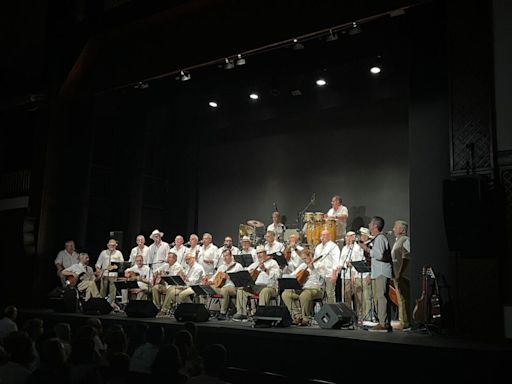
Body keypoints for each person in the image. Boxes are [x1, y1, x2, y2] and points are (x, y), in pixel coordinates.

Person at [359, 216, 393, 332]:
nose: (369, 225)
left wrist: (366, 249)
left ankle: (383, 324)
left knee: (381, 298)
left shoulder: (380, 239)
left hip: (381, 272)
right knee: (381, 298)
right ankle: (385, 322)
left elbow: (379, 255)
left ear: (375, 226)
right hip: (379, 272)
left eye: (370, 223)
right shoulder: (378, 238)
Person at [233, 245, 281, 320]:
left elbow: (277, 276)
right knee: (241, 290)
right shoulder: (255, 264)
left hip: (269, 287)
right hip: (256, 287)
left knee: (265, 291)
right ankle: (241, 313)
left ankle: (261, 314)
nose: (259, 255)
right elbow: (245, 273)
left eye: (261, 253)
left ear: (265, 253)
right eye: (257, 253)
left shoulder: (273, 262)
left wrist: (265, 269)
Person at [282, 247, 324, 326]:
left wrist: (313, 269)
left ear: (310, 256)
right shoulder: (302, 265)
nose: (304, 260)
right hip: (303, 289)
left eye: (305, 258)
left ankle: (306, 318)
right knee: (286, 294)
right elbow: (293, 275)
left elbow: (322, 278)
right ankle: (297, 316)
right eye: (302, 259)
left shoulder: (319, 264)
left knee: (304, 295)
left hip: (316, 289)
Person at [207, 249, 244, 320]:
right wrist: (209, 281)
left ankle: (223, 313)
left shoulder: (237, 266)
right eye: (223, 256)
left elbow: (241, 279)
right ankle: (208, 310)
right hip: (222, 286)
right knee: (209, 288)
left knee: (224, 290)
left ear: (231, 256)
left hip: (233, 287)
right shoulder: (221, 267)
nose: (225, 258)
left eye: (226, 255)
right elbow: (214, 278)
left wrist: (229, 277)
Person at [391, 220, 411, 331]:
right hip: (396, 274)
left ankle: (405, 322)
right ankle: (402, 320)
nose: (393, 229)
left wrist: (400, 272)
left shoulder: (405, 240)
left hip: (402, 274)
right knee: (400, 299)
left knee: (404, 298)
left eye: (395, 227)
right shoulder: (398, 241)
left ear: (401, 229)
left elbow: (407, 256)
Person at [314, 230, 340, 304]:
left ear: (329, 236)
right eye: (322, 235)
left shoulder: (334, 246)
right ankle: (323, 311)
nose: (323, 237)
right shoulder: (318, 247)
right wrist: (317, 269)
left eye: (325, 235)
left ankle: (331, 312)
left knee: (330, 293)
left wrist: (334, 274)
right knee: (321, 294)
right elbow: (315, 259)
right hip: (320, 274)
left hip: (330, 274)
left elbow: (336, 261)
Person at [95, 239, 124, 307]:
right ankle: (101, 304)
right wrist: (98, 270)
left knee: (112, 291)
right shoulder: (103, 253)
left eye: (113, 245)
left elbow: (122, 264)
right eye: (110, 245)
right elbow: (98, 264)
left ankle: (111, 305)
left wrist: (115, 266)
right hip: (104, 274)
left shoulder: (118, 253)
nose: (112, 246)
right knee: (103, 290)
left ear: (116, 246)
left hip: (113, 275)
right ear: (108, 245)